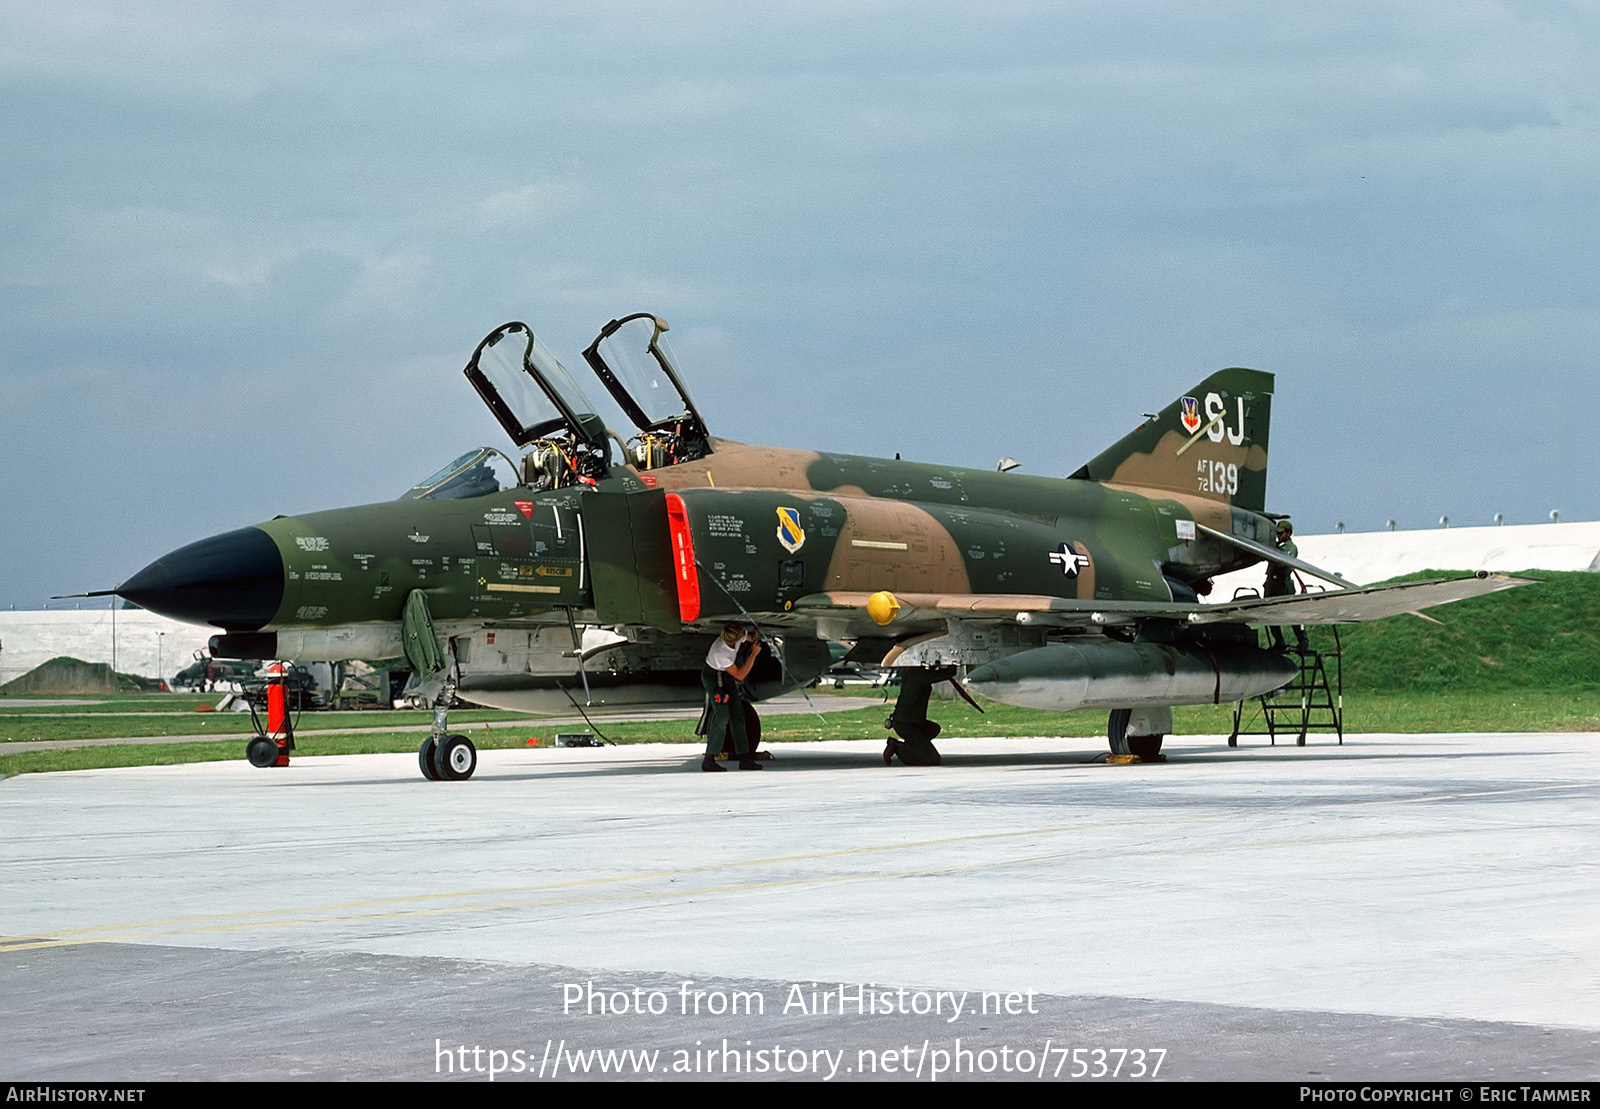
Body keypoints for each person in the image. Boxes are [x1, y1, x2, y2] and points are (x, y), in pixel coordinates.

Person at [696, 623, 764, 771]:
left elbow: (750, 637)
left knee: (737, 714)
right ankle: (709, 759)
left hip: (726, 676)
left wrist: (756, 633)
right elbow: (740, 675)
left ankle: (745, 758)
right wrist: (753, 654)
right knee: (722, 715)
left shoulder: (736, 636)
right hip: (715, 678)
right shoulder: (720, 653)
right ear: (733, 640)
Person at [1265, 519, 1308, 652]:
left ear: (1288, 533)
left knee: (1291, 615)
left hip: (1283, 584)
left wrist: (1271, 551)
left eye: (1281, 533)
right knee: (1270, 614)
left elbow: (1283, 562)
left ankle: (1303, 641)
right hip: (1272, 583)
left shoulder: (1291, 548)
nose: (1279, 536)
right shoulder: (1276, 546)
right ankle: (1279, 641)